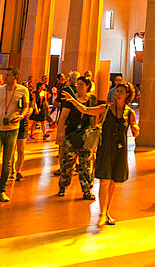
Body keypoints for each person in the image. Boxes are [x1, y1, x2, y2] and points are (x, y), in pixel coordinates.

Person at [0, 67, 31, 203]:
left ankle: (1, 191)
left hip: (13, 129)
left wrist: (21, 116)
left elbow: (26, 106)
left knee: (8, 162)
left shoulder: (22, 90)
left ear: (15, 77)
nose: (5, 77)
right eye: (5, 75)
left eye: (8, 75)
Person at [95, 83, 139, 226]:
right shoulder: (106, 109)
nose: (117, 93)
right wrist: (73, 101)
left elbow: (134, 131)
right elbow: (87, 110)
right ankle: (102, 213)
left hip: (120, 150)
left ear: (127, 95)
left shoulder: (129, 113)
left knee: (113, 180)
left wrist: (136, 129)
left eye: (120, 91)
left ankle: (106, 211)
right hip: (106, 148)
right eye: (116, 91)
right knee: (104, 180)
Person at [56, 77, 106, 199]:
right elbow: (63, 117)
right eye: (77, 84)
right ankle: (63, 185)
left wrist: (94, 133)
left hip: (86, 136)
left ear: (87, 86)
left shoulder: (92, 99)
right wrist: (59, 133)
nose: (78, 87)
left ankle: (86, 189)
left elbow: (94, 116)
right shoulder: (70, 100)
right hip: (71, 134)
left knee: (86, 164)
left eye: (81, 85)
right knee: (67, 163)